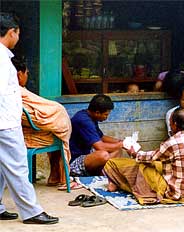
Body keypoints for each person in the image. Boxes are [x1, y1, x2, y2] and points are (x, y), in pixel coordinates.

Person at [0, 12, 58, 224]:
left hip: (4, 122)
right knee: (17, 167)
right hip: (4, 124)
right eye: (17, 33)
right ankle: (31, 212)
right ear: (11, 32)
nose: (18, 38)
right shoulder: (2, 59)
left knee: (1, 168)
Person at [103, 108, 184, 204]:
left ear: (175, 124)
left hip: (172, 192)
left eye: (170, 122)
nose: (170, 125)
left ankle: (118, 182)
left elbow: (151, 157)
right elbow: (159, 156)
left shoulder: (172, 142)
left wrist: (134, 153)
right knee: (157, 164)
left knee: (140, 166)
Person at [11, 57, 78, 190]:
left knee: (56, 132)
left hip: (23, 132)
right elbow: (47, 116)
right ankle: (61, 178)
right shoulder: (16, 91)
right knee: (59, 137)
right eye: (27, 73)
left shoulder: (11, 92)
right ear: (19, 74)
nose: (27, 77)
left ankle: (54, 175)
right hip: (27, 138)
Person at [69, 94, 123, 176]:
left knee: (117, 150)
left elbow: (101, 137)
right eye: (106, 114)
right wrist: (123, 144)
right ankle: (101, 173)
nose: (106, 117)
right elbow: (100, 147)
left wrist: (120, 142)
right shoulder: (84, 121)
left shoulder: (90, 117)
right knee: (103, 155)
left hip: (86, 155)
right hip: (74, 161)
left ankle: (102, 173)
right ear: (97, 113)